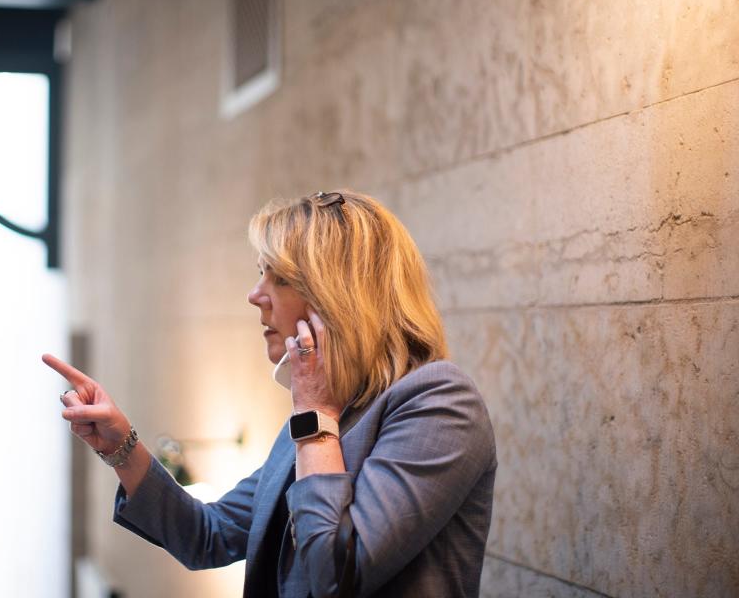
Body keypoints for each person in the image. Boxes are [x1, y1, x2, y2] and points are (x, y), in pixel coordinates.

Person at [44, 190, 497, 597]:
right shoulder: (328, 413)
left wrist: (315, 414)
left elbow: (338, 575)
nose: (254, 295)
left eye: (277, 278)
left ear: (339, 295)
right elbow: (210, 535)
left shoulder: (437, 403)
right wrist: (124, 449)